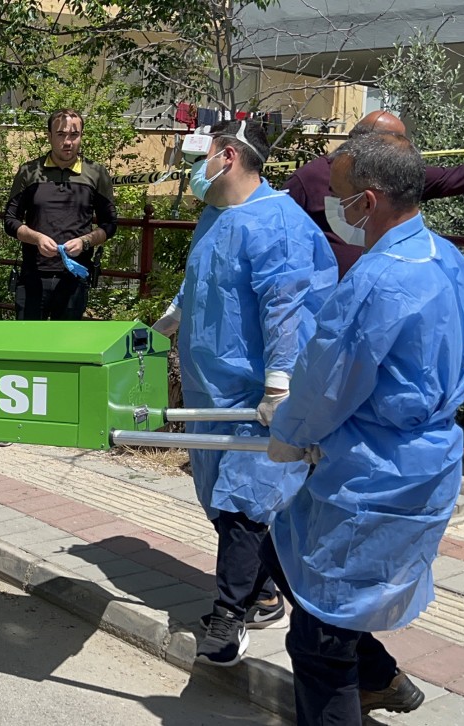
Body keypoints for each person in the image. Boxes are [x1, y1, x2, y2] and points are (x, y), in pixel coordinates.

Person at [265, 131, 464, 725]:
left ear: (367, 202)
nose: (331, 210)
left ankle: (370, 683)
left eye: (337, 197)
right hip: (429, 457)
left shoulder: (375, 280)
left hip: (368, 473)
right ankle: (383, 679)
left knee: (320, 644)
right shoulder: (446, 257)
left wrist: (288, 431)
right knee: (322, 598)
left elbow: (326, 381)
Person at [153, 120, 337, 667]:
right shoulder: (215, 214)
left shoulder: (277, 221)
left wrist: (279, 383)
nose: (192, 168)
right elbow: (199, 282)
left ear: (227, 156)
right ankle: (264, 595)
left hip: (260, 392)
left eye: (199, 155)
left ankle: (227, 619)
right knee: (227, 502)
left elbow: (282, 305)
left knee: (245, 504)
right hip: (212, 387)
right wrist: (164, 323)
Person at [284, 109, 464, 276]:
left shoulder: (400, 175)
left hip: (389, 288)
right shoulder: (310, 177)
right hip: (329, 299)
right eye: (397, 142)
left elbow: (453, 177)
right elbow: (280, 229)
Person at [3, 108, 117, 321]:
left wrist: (85, 242)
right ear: (49, 136)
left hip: (74, 278)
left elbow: (110, 224)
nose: (68, 141)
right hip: (33, 277)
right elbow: (10, 221)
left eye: (74, 135)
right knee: (29, 349)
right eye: (61, 134)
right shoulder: (28, 171)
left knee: (66, 351)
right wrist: (36, 238)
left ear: (81, 136)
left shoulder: (96, 173)